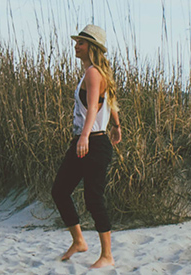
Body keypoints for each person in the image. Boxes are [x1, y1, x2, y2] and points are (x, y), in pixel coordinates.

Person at [51, 24, 121, 269]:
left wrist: (84, 137)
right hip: (88, 141)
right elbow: (109, 101)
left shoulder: (93, 73)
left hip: (92, 142)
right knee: (60, 191)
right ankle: (79, 241)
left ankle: (107, 256)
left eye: (80, 42)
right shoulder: (94, 73)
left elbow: (92, 107)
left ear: (91, 47)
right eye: (77, 42)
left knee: (93, 198)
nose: (76, 46)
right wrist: (117, 125)